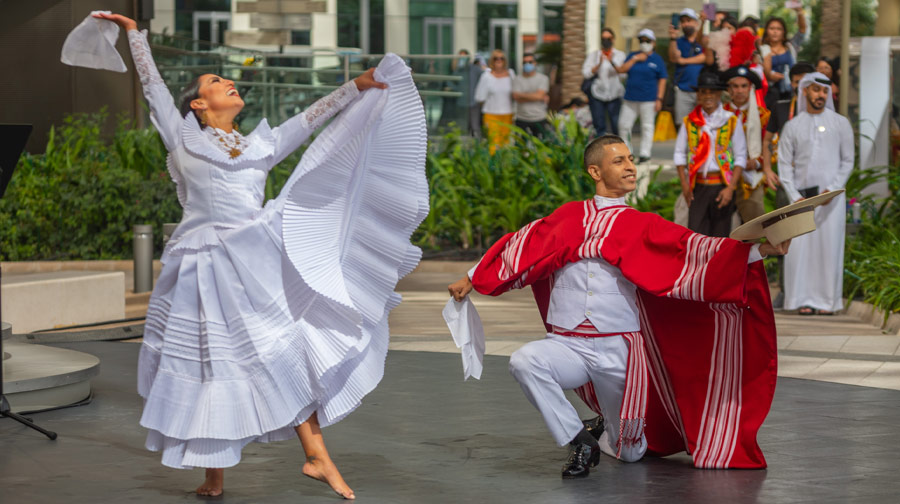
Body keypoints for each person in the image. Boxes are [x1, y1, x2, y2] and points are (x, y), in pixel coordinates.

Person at [89, 12, 427, 499]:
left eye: (225, 78)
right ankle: (216, 472)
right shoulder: (182, 139)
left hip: (254, 265)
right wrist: (134, 34)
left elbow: (310, 119)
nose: (226, 81)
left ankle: (315, 455)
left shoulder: (258, 146)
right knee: (213, 363)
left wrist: (357, 85)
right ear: (199, 104)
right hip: (202, 269)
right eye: (214, 81)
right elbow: (154, 89)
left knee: (282, 351)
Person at [447, 134, 789, 477]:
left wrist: (759, 251)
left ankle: (611, 429)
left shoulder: (644, 225)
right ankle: (578, 439)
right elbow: (520, 246)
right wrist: (472, 277)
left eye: (630, 159)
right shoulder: (567, 218)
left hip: (619, 350)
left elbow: (697, 252)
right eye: (619, 161)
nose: (630, 167)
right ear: (595, 171)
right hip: (567, 345)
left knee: (631, 454)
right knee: (524, 362)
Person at [778, 73, 854, 316]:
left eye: (824, 91)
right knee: (800, 252)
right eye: (815, 90)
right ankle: (801, 299)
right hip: (801, 201)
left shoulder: (840, 123)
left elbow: (847, 160)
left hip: (831, 200)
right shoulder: (792, 126)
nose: (820, 95)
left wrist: (833, 189)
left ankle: (827, 302)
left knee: (828, 248)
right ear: (804, 92)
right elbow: (784, 165)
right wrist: (793, 195)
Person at [761, 61, 815, 309]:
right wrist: (768, 169)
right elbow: (768, 139)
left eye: (806, 82)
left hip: (814, 180)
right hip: (786, 179)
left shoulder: (818, 111)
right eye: (797, 82)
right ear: (792, 84)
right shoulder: (782, 108)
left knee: (813, 236)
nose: (801, 87)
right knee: (785, 233)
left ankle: (811, 290)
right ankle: (785, 288)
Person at [675, 71, 747, 237]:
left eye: (712, 92)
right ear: (698, 95)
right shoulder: (690, 121)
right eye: (703, 92)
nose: (708, 96)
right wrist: (685, 186)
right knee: (697, 237)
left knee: (720, 237)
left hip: (722, 187)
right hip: (698, 187)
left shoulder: (731, 120)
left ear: (719, 94)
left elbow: (740, 156)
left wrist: (730, 188)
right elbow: (679, 154)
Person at [723, 65, 771, 223]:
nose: (739, 91)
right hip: (723, 176)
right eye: (735, 86)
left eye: (744, 86)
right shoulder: (720, 114)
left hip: (751, 179)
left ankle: (754, 247)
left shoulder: (763, 116)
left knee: (754, 226)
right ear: (729, 89)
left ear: (750, 88)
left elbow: (772, 146)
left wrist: (757, 162)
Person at [616, 28, 667, 163]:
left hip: (649, 99)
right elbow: (621, 70)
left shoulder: (657, 59)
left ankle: (645, 153)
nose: (644, 43)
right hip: (630, 98)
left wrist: (659, 98)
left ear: (653, 43)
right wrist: (635, 59)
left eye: (647, 40)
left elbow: (662, 79)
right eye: (642, 40)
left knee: (647, 126)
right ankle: (627, 152)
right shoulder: (633, 55)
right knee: (624, 125)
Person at [581, 27, 626, 136]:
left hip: (614, 93)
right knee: (599, 124)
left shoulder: (620, 55)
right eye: (603, 38)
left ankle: (618, 147)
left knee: (616, 123)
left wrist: (612, 62)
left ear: (613, 39)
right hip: (597, 93)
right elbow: (586, 73)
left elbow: (624, 74)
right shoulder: (594, 55)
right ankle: (601, 149)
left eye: (608, 38)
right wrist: (599, 64)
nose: (606, 41)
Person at [761, 8, 808, 108]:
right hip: (769, 95)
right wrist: (769, 75)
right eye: (772, 28)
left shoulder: (791, 46)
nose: (775, 32)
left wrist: (799, 12)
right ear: (767, 31)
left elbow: (802, 30)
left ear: (783, 32)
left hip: (790, 93)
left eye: (778, 29)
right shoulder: (762, 50)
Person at [669, 8, 706, 128]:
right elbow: (674, 58)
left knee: (703, 124)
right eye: (683, 21)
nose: (686, 24)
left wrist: (684, 60)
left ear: (696, 22)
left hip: (703, 90)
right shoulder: (678, 41)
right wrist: (673, 38)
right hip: (683, 89)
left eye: (689, 20)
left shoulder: (703, 39)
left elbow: (706, 57)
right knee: (684, 126)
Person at [475, 49, 516, 153]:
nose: (499, 60)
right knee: (493, 144)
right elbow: (479, 97)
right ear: (492, 61)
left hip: (508, 114)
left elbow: (515, 93)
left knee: (506, 144)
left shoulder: (511, 74)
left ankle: (505, 167)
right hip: (491, 115)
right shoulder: (486, 76)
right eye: (496, 58)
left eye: (501, 58)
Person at [512, 53, 551, 138]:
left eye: (530, 62)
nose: (527, 64)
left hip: (539, 118)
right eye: (525, 62)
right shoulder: (517, 79)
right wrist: (536, 96)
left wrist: (522, 95)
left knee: (541, 148)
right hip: (521, 119)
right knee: (521, 149)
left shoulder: (543, 78)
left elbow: (539, 96)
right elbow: (516, 97)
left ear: (535, 63)